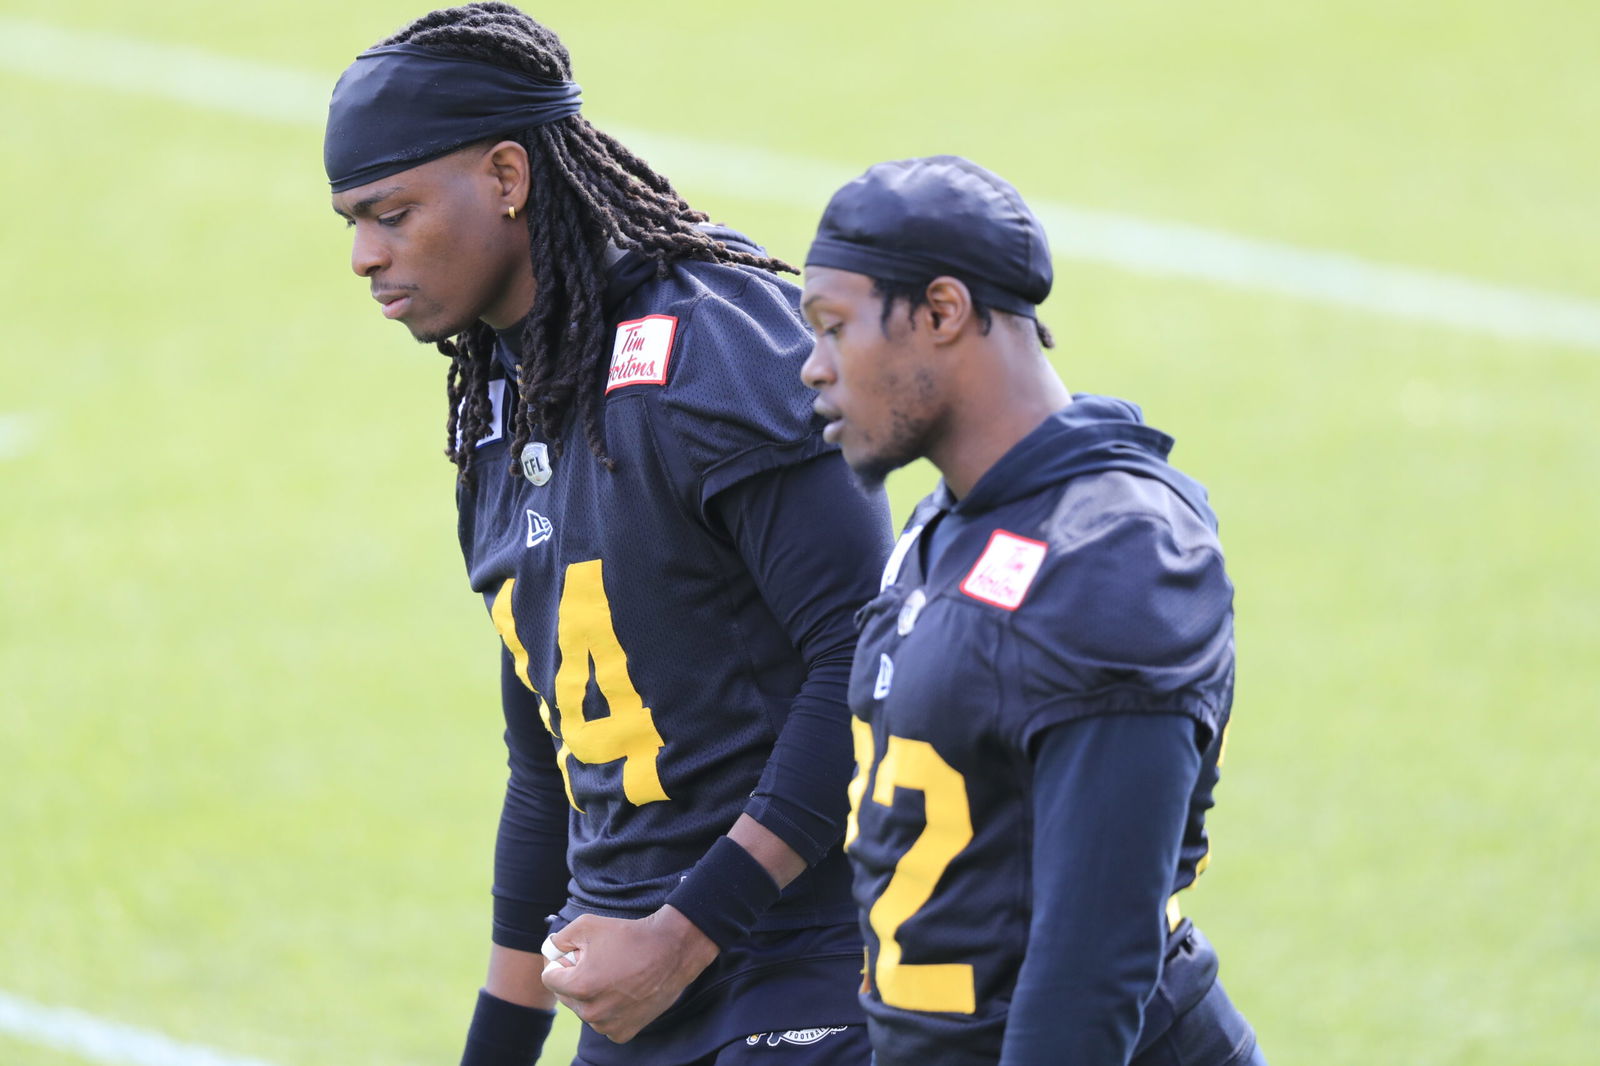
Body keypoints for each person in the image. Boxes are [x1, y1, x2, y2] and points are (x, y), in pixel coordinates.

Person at [322, 5, 890, 1064]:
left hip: (809, 973)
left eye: (392, 213)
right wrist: (500, 1044)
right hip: (636, 995)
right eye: (351, 221)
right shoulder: (499, 406)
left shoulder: (716, 350)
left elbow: (865, 658)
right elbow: (549, 761)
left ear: (506, 176)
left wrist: (686, 933)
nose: (364, 255)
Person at [798, 155, 1267, 1066]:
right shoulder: (948, 519)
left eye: (834, 327)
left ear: (942, 312)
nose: (813, 368)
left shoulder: (1113, 556)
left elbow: (1089, 975)